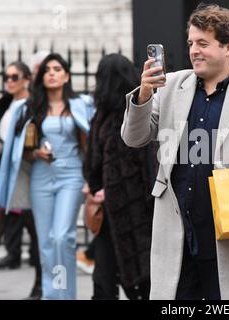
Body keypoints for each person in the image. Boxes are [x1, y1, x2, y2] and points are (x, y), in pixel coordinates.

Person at [121, 3, 229, 300]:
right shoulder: (171, 85)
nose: (194, 51)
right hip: (176, 233)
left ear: (228, 46)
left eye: (203, 43)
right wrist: (144, 95)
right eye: (191, 43)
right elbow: (134, 138)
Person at [0, 53, 94, 300]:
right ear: (41, 77)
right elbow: (18, 148)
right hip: (40, 177)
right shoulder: (30, 107)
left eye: (57, 68)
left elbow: (91, 142)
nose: (51, 73)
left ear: (67, 76)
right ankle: (53, 295)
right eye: (46, 70)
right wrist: (35, 152)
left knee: (62, 236)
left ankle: (66, 295)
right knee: (46, 242)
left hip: (71, 175)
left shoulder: (81, 104)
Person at [83, 53, 154, 300]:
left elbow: (95, 162)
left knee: (111, 278)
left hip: (119, 209)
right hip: (135, 210)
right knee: (134, 276)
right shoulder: (134, 112)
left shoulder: (105, 117)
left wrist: (97, 187)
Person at [0, 62, 42, 300]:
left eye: (14, 76)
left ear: (27, 78)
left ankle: (40, 283)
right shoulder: (4, 105)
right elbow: (0, 138)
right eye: (6, 76)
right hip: (5, 173)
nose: (9, 81)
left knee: (33, 228)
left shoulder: (34, 105)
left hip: (26, 171)